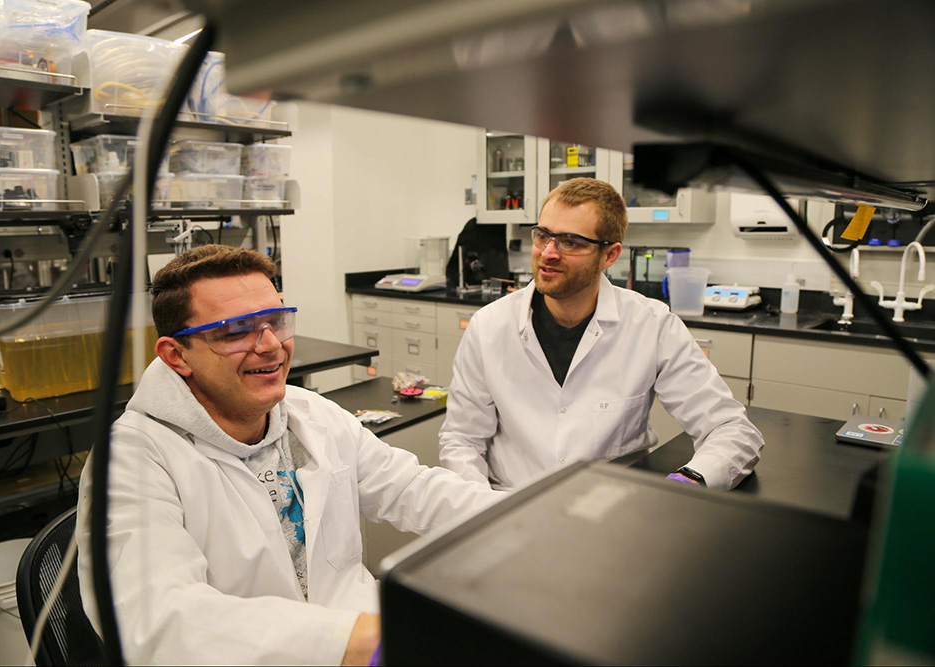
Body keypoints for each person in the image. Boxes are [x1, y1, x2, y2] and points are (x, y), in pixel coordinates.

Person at [75, 245, 502, 665]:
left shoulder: (308, 413)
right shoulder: (133, 459)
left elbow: (413, 489)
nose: (270, 346)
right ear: (176, 355)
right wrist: (349, 642)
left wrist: (532, 521)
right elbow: (156, 621)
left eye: (276, 321)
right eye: (236, 330)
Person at [438, 177, 763, 491]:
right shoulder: (489, 326)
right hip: (510, 503)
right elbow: (462, 440)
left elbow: (731, 430)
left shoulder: (651, 325)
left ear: (610, 255)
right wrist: (480, 510)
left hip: (610, 511)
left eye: (570, 242)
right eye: (543, 236)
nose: (548, 253)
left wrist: (690, 481)